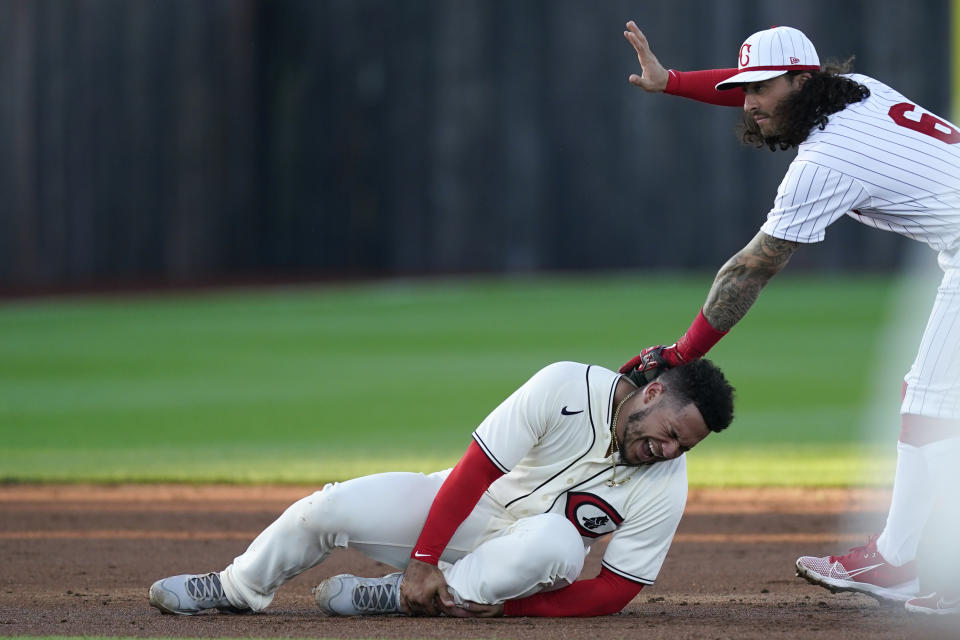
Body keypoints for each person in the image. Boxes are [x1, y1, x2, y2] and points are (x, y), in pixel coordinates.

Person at [621, 21, 960, 617]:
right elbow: (754, 88)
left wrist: (681, 353)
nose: (749, 104)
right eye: (742, 88)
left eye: (763, 88)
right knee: (926, 402)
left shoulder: (826, 160)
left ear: (803, 81)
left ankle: (911, 561)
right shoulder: (855, 89)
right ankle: (899, 557)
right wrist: (671, 81)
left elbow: (750, 270)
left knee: (932, 411)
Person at [148, 359, 734, 618]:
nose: (670, 451)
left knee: (555, 545)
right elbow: (474, 472)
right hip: (469, 510)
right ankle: (236, 586)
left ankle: (403, 598)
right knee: (326, 507)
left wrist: (512, 607)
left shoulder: (666, 481)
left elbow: (613, 590)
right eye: (671, 435)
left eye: (686, 447)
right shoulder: (564, 384)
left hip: (524, 562)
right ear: (653, 395)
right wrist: (424, 559)